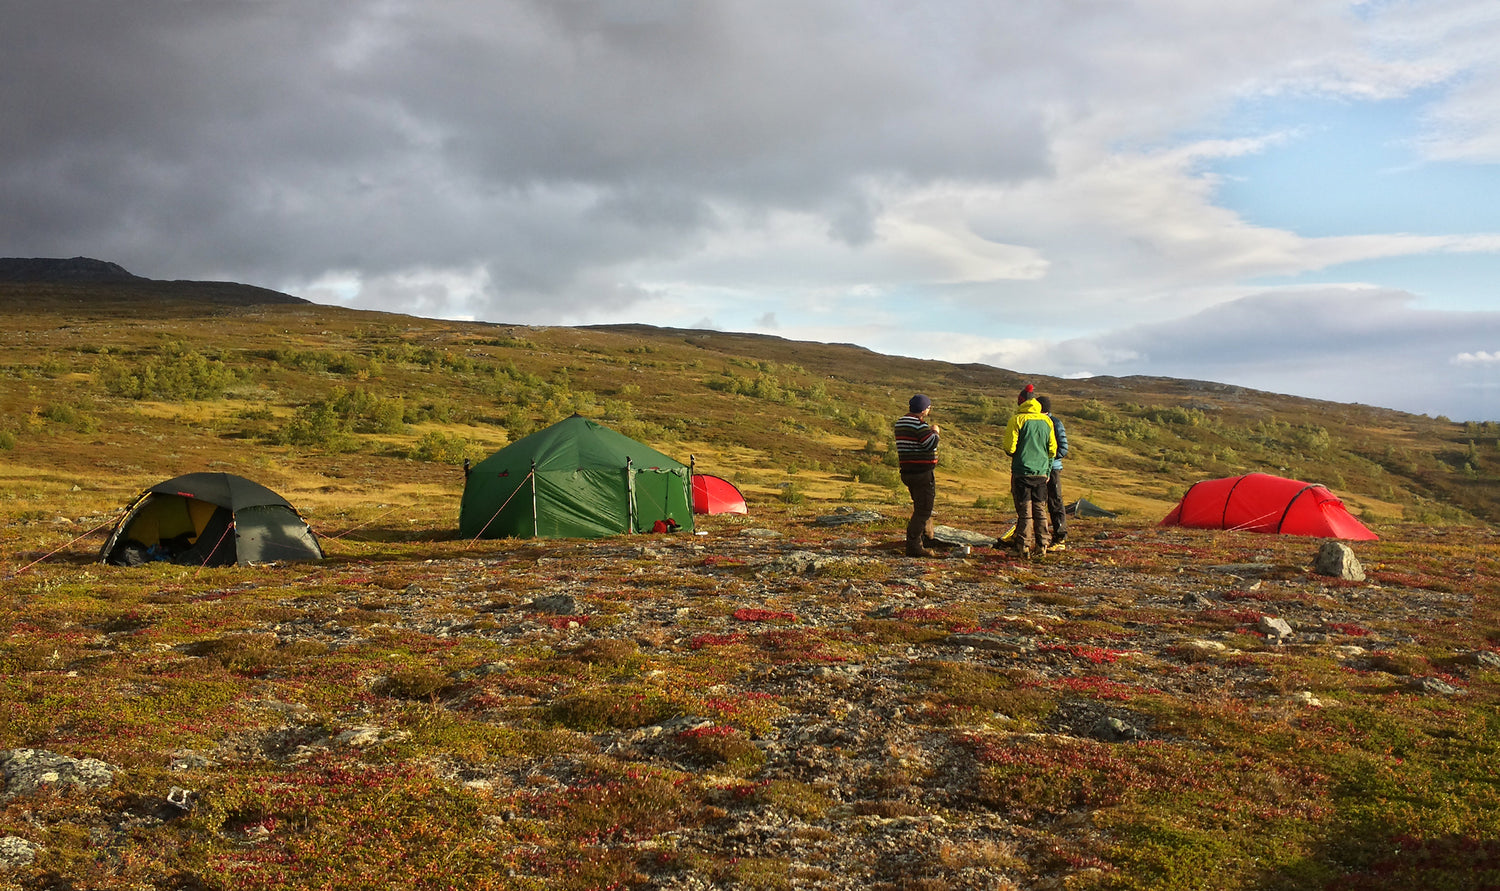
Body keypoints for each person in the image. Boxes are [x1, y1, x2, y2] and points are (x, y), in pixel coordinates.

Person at [1003, 384, 1057, 558]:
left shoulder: (1017, 420)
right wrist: (1047, 470)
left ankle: (1023, 546)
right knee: (1040, 509)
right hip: (1041, 472)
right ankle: (1042, 545)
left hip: (1022, 471)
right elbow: (1052, 450)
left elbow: (1010, 448)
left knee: (1025, 511)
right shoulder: (1047, 421)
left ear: (1021, 402)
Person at [894, 394, 941, 557]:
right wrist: (935, 432)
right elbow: (930, 444)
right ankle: (914, 546)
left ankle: (927, 537)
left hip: (908, 471)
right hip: (921, 473)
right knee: (924, 509)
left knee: (920, 505)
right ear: (923, 408)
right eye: (928, 407)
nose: (929, 409)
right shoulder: (918, 425)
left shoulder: (901, 422)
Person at [1036, 395, 1069, 550]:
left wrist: (1048, 457)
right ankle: (1041, 536)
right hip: (1039, 468)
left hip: (1053, 468)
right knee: (1039, 502)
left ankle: (1060, 537)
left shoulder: (1055, 423)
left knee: (1055, 501)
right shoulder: (1037, 422)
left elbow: (1063, 448)